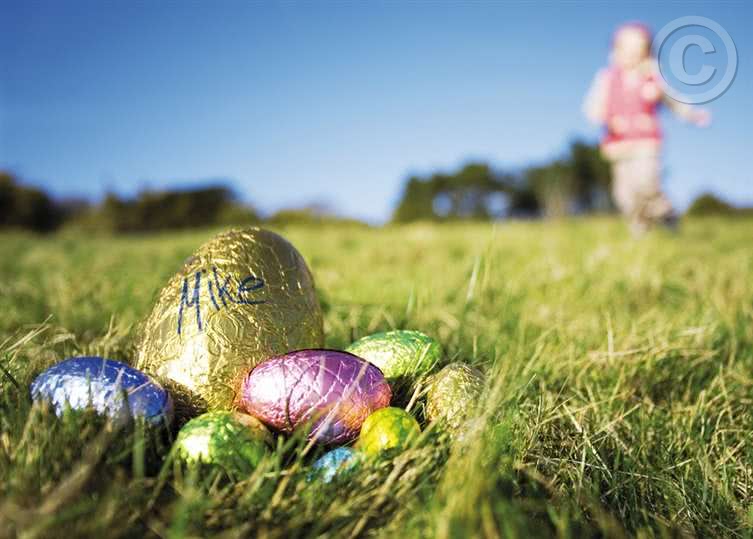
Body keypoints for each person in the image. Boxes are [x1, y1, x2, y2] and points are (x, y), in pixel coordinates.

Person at [583, 22, 710, 235]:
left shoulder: (652, 79)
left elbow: (673, 101)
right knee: (624, 195)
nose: (631, 54)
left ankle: (664, 211)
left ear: (647, 52)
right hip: (619, 144)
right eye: (625, 49)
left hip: (646, 141)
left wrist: (692, 114)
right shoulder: (607, 78)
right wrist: (605, 117)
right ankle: (640, 231)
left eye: (637, 50)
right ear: (615, 51)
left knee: (646, 182)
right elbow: (595, 105)